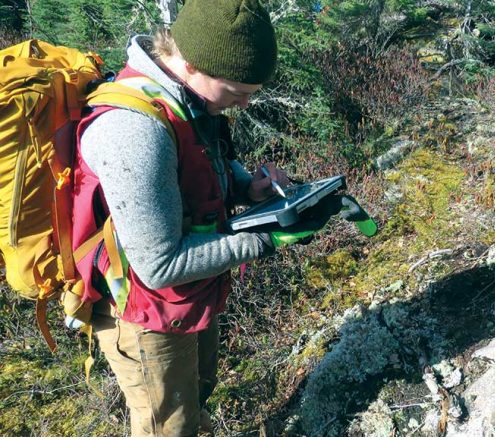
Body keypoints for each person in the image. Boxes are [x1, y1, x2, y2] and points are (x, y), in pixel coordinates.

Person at [71, 1, 316, 435]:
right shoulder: (134, 131)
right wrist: (267, 237)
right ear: (190, 63)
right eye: (238, 91)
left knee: (196, 400)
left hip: (189, 298)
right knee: (168, 426)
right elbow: (159, 266)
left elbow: (198, 166)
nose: (244, 103)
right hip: (145, 314)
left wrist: (246, 188)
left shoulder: (188, 97)